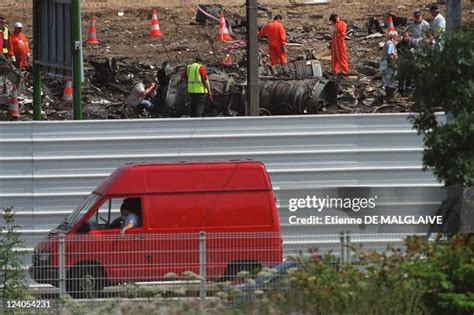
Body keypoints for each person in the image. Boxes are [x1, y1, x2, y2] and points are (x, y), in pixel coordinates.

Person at [380, 30, 399, 101]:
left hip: (384, 64)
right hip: (388, 65)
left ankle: (388, 96)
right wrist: (393, 64)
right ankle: (391, 97)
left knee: (387, 81)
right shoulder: (390, 44)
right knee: (391, 80)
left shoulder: (388, 43)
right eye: (397, 36)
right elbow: (390, 54)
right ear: (394, 37)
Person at [329, 13, 349, 78]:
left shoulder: (342, 24)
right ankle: (334, 72)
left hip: (340, 45)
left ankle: (345, 73)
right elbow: (334, 36)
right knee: (334, 59)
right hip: (335, 45)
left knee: (342, 59)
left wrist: (337, 24)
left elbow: (342, 33)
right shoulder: (335, 25)